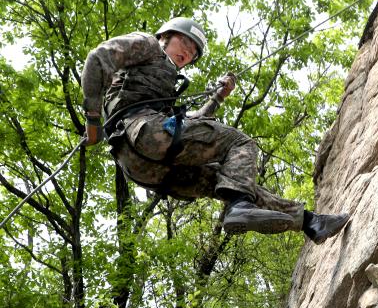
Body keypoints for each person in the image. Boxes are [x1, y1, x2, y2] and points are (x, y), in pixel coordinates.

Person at [81, 17, 349, 244]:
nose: (188, 52)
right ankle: (240, 208)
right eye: (184, 42)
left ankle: (308, 222)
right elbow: (98, 59)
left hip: (144, 166)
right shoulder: (148, 44)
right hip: (143, 135)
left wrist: (218, 98)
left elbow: (183, 129)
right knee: (240, 143)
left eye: (193, 53)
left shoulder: (162, 85)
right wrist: (92, 120)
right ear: (165, 35)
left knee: (233, 181)